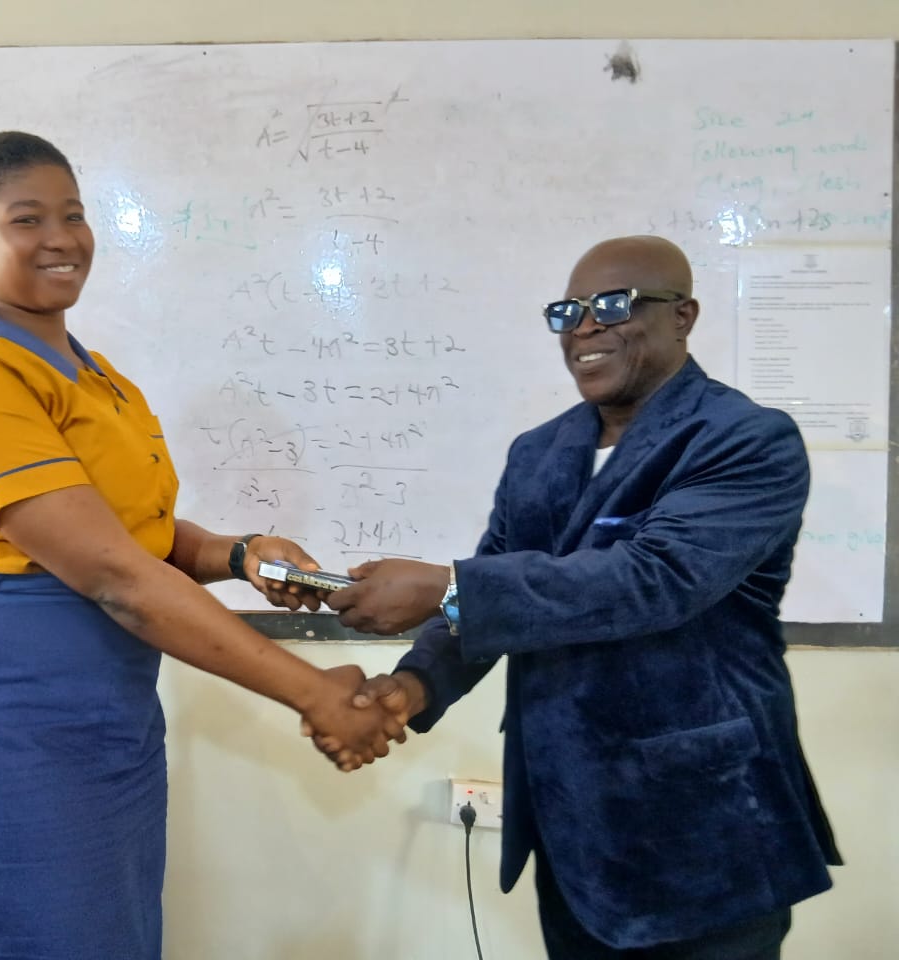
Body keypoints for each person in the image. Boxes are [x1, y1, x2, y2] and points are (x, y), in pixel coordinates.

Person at [0, 131, 398, 960]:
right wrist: (312, 691)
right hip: (4, 719)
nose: (61, 238)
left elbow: (135, 534)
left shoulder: (100, 378)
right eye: (27, 219)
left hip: (108, 715)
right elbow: (113, 574)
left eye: (74, 214)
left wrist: (241, 554)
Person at [320, 235, 841, 959]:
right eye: (568, 312)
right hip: (569, 826)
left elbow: (653, 580)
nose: (585, 327)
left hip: (703, 830)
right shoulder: (539, 452)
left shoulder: (744, 440)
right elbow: (494, 591)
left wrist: (446, 586)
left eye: (614, 305)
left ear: (683, 316)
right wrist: (414, 685)